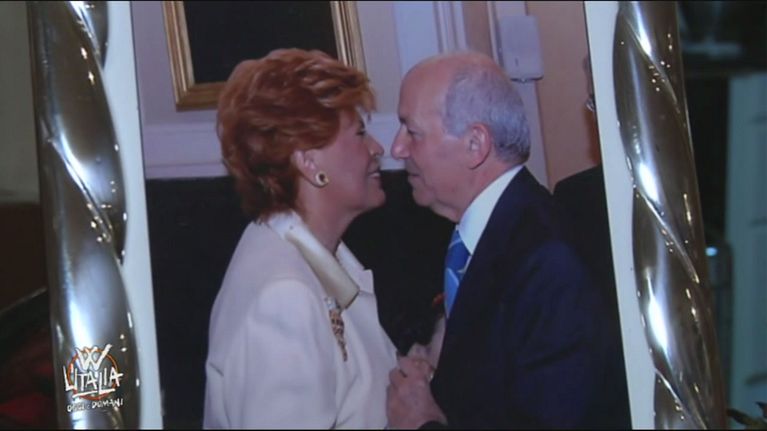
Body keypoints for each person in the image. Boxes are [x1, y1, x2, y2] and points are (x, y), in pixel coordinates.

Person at [385, 51, 629, 428]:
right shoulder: (498, 233)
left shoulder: (548, 260)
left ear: (475, 144)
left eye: (412, 131)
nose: (397, 149)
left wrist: (424, 424)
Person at [203, 49, 397, 429]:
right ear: (309, 162)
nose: (377, 148)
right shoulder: (283, 297)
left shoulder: (313, 253)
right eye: (359, 133)